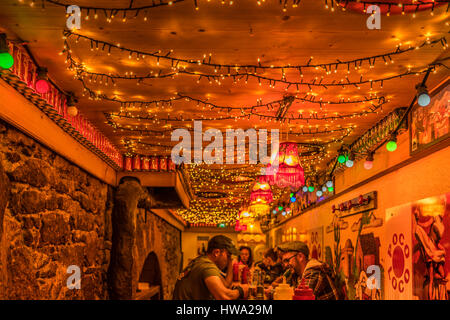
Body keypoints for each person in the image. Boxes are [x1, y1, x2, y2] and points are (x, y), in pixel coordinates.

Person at [172, 235, 249, 300]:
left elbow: (225, 285)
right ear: (216, 252)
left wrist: (229, 262)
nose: (229, 259)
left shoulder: (202, 261)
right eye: (228, 255)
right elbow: (224, 296)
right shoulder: (206, 266)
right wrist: (242, 290)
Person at [277, 241, 342, 300]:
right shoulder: (296, 274)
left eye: (287, 260)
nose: (285, 265)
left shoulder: (314, 273)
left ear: (300, 256)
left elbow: (301, 297)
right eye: (283, 262)